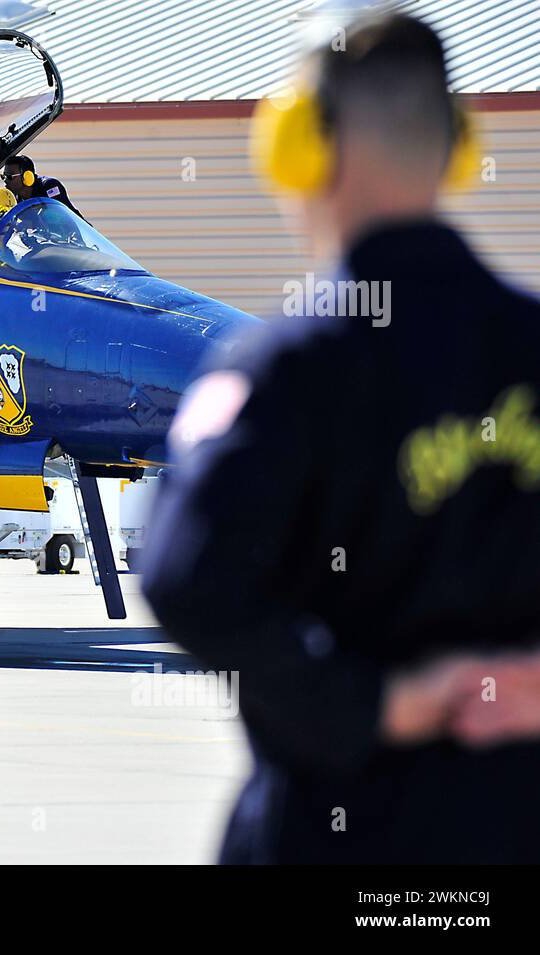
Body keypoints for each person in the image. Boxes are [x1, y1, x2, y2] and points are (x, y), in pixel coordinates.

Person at [141, 12, 540, 863]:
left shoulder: (281, 370)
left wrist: (375, 704)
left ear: (302, 149)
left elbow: (183, 576)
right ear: (455, 148)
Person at [1, 155, 84, 219]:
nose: (5, 180)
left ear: (27, 177)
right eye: (3, 176)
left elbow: (59, 217)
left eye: (9, 177)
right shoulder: (14, 199)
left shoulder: (49, 186)